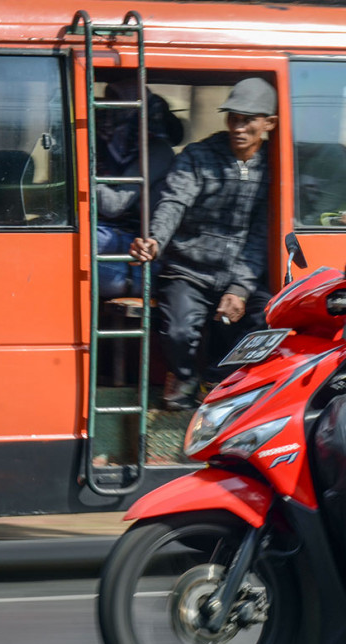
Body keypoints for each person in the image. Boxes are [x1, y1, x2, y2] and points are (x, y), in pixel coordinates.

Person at [130, 77, 277, 410]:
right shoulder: (198, 156)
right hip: (188, 269)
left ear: (269, 123)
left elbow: (259, 235)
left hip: (242, 275)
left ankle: (216, 379)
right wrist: (154, 239)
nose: (238, 127)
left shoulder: (275, 166)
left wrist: (239, 289)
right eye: (233, 118)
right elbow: (174, 201)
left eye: (248, 120)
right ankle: (184, 377)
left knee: (267, 318)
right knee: (178, 330)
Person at [96, 83, 182, 298]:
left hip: (142, 252)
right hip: (118, 236)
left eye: (113, 104)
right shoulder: (114, 147)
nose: (106, 112)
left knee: (87, 239)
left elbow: (113, 205)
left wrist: (81, 172)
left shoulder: (156, 151)